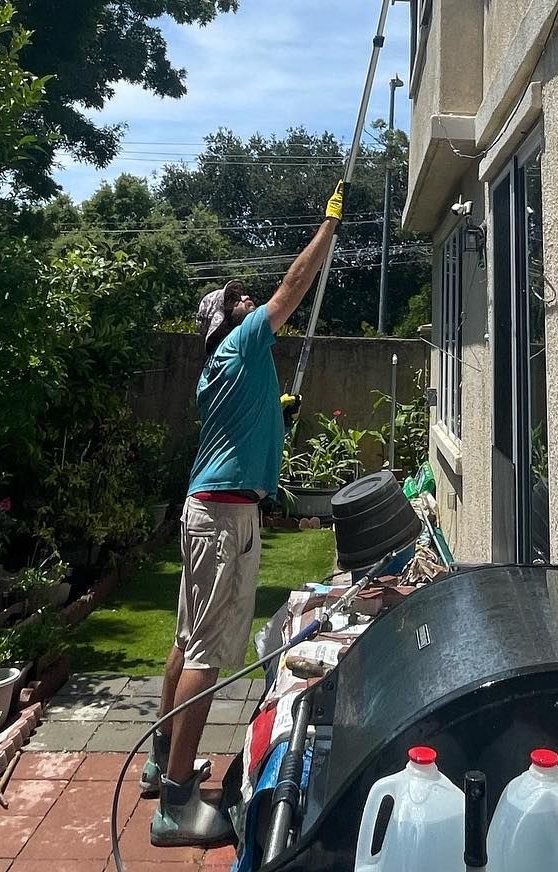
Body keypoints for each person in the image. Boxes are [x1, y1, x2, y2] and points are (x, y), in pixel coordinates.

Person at [146, 181, 345, 848]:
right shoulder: (241, 343)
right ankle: (175, 803)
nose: (251, 300)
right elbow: (292, 287)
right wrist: (327, 228)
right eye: (239, 299)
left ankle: (159, 759)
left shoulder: (225, 366)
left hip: (207, 509)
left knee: (183, 638)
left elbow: (241, 424)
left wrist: (273, 421)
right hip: (225, 518)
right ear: (227, 319)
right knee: (208, 649)